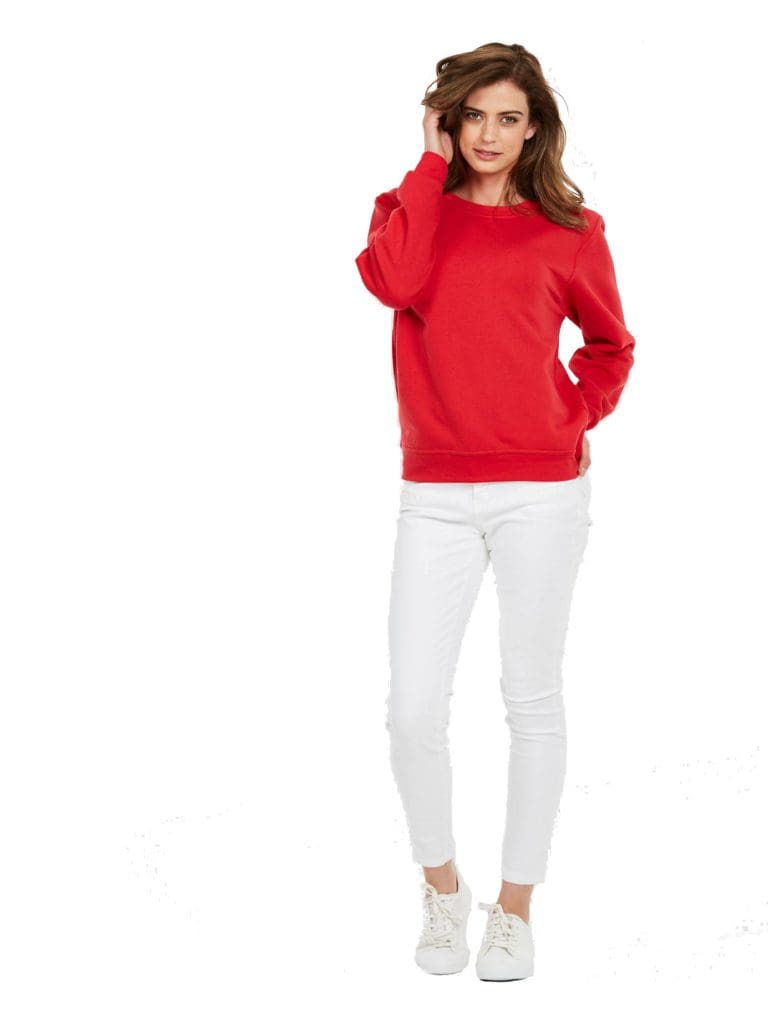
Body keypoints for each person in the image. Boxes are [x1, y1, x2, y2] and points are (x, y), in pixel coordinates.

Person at [354, 42, 635, 982]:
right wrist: (426, 168)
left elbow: (610, 345)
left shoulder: (571, 231)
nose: (489, 134)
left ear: (534, 129)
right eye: (472, 115)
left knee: (531, 697)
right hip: (433, 493)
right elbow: (395, 285)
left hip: (541, 492)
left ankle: (513, 908)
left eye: (508, 118)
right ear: (447, 121)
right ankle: (442, 890)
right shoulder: (408, 213)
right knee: (411, 709)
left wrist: (576, 414)